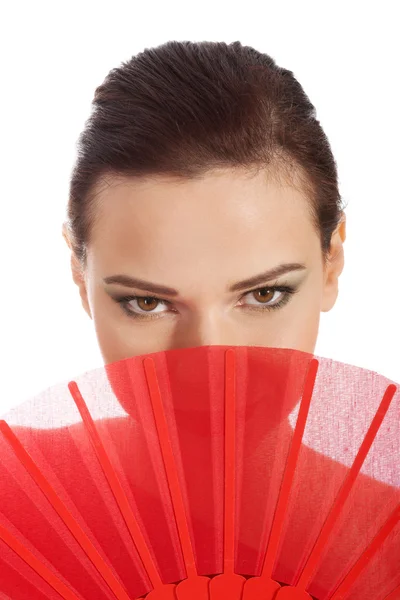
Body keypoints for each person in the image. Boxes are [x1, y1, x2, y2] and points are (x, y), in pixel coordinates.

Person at [0, 41, 398, 600]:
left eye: (264, 294)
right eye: (147, 302)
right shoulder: (10, 505)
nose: (212, 363)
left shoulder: (387, 546)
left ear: (332, 260)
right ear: (78, 272)